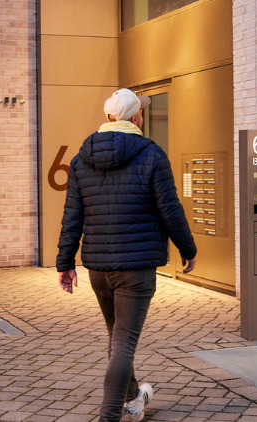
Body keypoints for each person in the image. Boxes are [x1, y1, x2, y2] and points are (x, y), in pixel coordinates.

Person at [56, 88, 197, 422]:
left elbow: (72, 216)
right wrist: (188, 249)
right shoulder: (151, 154)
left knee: (117, 337)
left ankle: (134, 399)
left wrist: (65, 263)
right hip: (136, 269)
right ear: (135, 118)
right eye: (142, 113)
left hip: (99, 269)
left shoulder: (80, 159)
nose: (143, 116)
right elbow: (170, 209)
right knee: (123, 343)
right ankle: (109, 417)